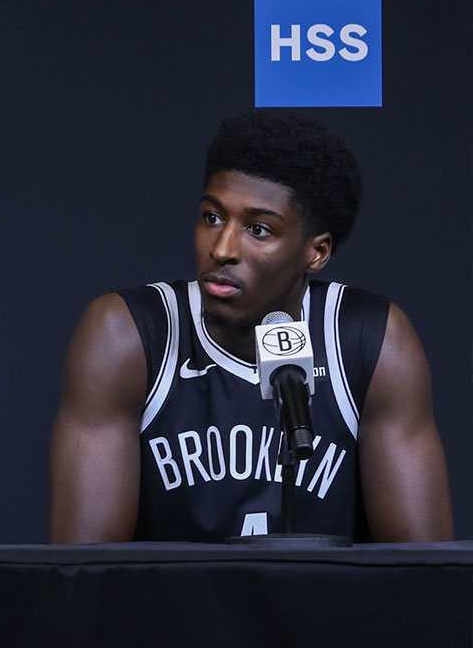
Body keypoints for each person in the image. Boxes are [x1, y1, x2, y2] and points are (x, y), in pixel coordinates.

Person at [49, 111, 453, 543]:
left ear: (316, 252)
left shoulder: (369, 341)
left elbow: (421, 575)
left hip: (327, 612)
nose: (222, 248)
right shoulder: (128, 334)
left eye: (258, 229)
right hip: (172, 612)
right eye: (212, 218)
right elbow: (83, 577)